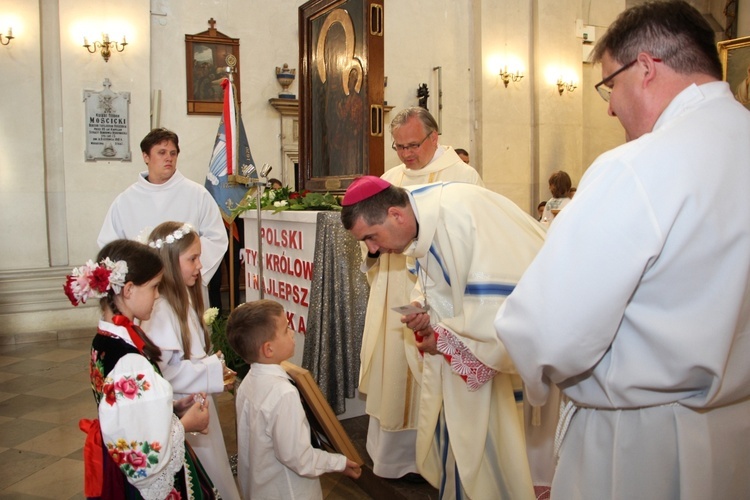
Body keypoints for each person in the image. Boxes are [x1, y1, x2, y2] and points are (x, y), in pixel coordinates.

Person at [494, 1, 750, 499]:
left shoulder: (639, 164)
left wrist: (530, 372)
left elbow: (549, 329)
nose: (610, 107)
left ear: (646, 68)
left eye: (609, 85)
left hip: (641, 448)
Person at [342, 176, 546, 499]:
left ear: (395, 215)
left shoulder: (460, 214)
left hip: (506, 370)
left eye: (371, 237)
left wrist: (447, 338)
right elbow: (435, 281)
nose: (373, 250)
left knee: (504, 452)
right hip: (464, 366)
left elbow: (501, 302)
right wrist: (425, 309)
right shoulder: (423, 218)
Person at [361, 106, 483, 480]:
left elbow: (473, 236)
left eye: (413, 145)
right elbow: (369, 233)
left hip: (440, 292)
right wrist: (369, 248)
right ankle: (396, 459)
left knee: (435, 370)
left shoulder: (463, 176)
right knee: (394, 369)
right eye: (398, 147)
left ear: (435, 137)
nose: (406, 154)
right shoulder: (390, 178)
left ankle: (440, 459)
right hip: (392, 285)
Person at [67, 239, 218, 499]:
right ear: (128, 290)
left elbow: (131, 415)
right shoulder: (129, 361)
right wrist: (186, 423)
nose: (158, 295)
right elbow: (145, 460)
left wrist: (172, 408)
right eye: (154, 287)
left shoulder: (104, 339)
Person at [140, 221, 240, 500]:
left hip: (198, 400)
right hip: (184, 407)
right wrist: (211, 370)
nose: (200, 265)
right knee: (203, 473)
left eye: (199, 256)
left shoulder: (182, 297)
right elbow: (167, 374)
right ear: (171, 262)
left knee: (214, 463)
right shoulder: (160, 310)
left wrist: (211, 364)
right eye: (193, 258)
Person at [226, 299, 362, 499]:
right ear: (268, 349)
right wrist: (338, 463)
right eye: (286, 329)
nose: (292, 333)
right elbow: (299, 458)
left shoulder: (247, 382)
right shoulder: (283, 394)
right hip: (287, 491)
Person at [97, 128, 228, 305]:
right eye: (162, 152)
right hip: (141, 289)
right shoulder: (125, 200)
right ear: (146, 157)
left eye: (173, 153)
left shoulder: (197, 194)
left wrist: (183, 269)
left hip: (184, 290)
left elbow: (217, 238)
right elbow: (109, 246)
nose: (169, 158)